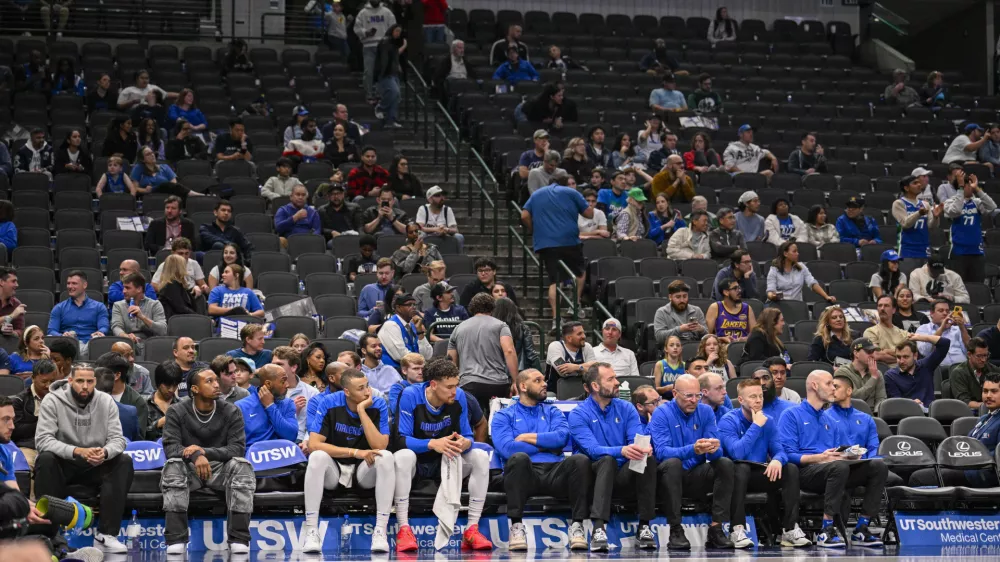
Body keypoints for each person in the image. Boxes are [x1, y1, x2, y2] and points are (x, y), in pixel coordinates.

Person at [392, 358, 494, 551]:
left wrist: (466, 443)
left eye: (456, 385)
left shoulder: (459, 397)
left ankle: (472, 528)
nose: (454, 391)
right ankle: (404, 528)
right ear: (433, 384)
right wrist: (432, 443)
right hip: (417, 463)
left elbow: (468, 434)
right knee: (403, 456)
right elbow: (400, 440)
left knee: (480, 455)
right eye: (449, 387)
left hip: (446, 461)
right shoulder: (410, 395)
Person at [778, 370, 887, 548]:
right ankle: (826, 530)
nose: (833, 389)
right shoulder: (791, 415)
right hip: (803, 472)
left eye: (835, 385)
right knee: (839, 467)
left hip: (831, 470)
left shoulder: (829, 420)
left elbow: (835, 453)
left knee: (877, 466)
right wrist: (819, 458)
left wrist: (848, 455)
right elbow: (786, 454)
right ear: (814, 386)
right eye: (829, 384)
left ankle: (861, 528)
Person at [34, 363, 134, 553]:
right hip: (64, 463)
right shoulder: (52, 400)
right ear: (70, 380)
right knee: (45, 459)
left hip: (95, 463)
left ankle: (106, 534)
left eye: (89, 381)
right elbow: (43, 440)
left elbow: (118, 440)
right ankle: (49, 535)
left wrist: (104, 453)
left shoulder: (106, 401)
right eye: (80, 381)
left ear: (95, 382)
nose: (85, 386)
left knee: (123, 461)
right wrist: (76, 451)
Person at [493, 368, 592, 551]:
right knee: (518, 458)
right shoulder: (504, 415)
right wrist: (546, 444)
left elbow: (562, 438)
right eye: (537, 380)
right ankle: (516, 526)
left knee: (580, 460)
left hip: (556, 472)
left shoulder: (553, 411)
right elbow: (507, 448)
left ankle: (577, 526)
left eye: (544, 380)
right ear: (523, 386)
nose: (545, 383)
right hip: (525, 474)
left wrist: (526, 437)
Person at [160, 368, 254, 555]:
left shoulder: (231, 410)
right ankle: (176, 539)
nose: (216, 384)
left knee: (243, 466)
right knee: (172, 467)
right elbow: (171, 448)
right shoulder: (176, 411)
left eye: (216, 381)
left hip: (220, 470)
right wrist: (195, 456)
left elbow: (237, 449)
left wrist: (204, 452)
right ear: (194, 389)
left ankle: (239, 538)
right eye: (209, 381)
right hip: (189, 469)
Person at [301, 368, 395, 553]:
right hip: (334, 468)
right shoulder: (328, 403)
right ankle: (311, 531)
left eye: (367, 386)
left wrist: (361, 410)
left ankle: (380, 531)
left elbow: (380, 445)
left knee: (386, 457)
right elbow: (314, 445)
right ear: (346, 391)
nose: (367, 391)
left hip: (363, 472)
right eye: (360, 388)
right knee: (317, 457)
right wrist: (355, 452)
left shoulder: (378, 404)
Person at [567, 363, 657, 551]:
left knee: (647, 459)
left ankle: (644, 526)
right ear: (595, 386)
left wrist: (643, 448)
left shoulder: (627, 408)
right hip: (592, 475)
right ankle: (598, 529)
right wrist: (622, 450)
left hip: (622, 472)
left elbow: (635, 438)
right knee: (606, 460)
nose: (618, 382)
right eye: (611, 379)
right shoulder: (578, 414)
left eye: (616, 377)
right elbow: (592, 450)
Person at [720, 378, 812, 548]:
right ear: (740, 400)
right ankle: (737, 530)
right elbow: (737, 453)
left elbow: (781, 450)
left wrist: (777, 460)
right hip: (734, 478)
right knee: (741, 467)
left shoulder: (768, 420)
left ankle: (790, 530)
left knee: (790, 469)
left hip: (760, 475)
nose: (758, 400)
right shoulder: (728, 420)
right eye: (752, 397)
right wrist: (755, 425)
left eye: (760, 396)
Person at [649, 373, 735, 549]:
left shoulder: (706, 411)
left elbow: (716, 452)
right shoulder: (661, 413)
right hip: (669, 476)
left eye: (698, 395)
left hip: (696, 473)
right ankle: (675, 529)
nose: (694, 400)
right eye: (689, 396)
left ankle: (717, 528)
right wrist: (692, 449)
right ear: (674, 394)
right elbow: (662, 452)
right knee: (673, 464)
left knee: (725, 463)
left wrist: (713, 450)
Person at [522, 173, 590, 333]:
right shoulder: (571, 192)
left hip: (546, 244)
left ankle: (555, 321)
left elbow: (524, 215)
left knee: (555, 281)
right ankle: (575, 303)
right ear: (565, 183)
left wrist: (535, 230)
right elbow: (589, 214)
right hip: (569, 241)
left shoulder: (537, 194)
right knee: (580, 273)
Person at [446, 293, 517, 411]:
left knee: (472, 423)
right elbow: (509, 351)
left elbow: (450, 359)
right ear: (492, 308)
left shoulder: (458, 328)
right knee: (497, 422)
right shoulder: (501, 326)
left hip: (468, 383)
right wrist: (515, 380)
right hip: (498, 384)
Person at [944, 171, 995, 283]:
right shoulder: (949, 202)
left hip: (977, 252)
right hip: (959, 252)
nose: (970, 188)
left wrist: (978, 189)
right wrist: (961, 190)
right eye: (968, 185)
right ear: (960, 187)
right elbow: (956, 211)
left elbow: (992, 207)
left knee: (977, 285)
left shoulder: (976, 202)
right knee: (959, 285)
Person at [46, 271, 108, 358]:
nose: (70, 287)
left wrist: (100, 332)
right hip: (67, 345)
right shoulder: (59, 308)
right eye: (68, 283)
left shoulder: (99, 307)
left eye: (74, 283)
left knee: (96, 340)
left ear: (84, 285)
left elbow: (104, 327)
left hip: (89, 344)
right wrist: (62, 335)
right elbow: (51, 330)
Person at [235, 364, 297, 446]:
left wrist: (270, 406)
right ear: (268, 384)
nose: (287, 385)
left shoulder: (288, 403)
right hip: (253, 456)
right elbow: (238, 445)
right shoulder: (241, 406)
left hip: (283, 455)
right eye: (283, 381)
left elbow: (291, 436)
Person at [11, 359, 58, 468]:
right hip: (29, 447)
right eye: (44, 381)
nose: (48, 386)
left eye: (52, 381)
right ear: (33, 378)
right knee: (26, 464)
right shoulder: (19, 401)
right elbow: (16, 430)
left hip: (56, 445)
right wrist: (46, 420)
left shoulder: (62, 398)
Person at [94, 352, 148, 439]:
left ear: (117, 375)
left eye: (101, 372)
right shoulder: (93, 394)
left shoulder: (137, 402)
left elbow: (138, 438)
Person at [894, 175, 943, 271]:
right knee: (909, 282)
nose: (919, 185)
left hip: (925, 249)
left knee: (925, 283)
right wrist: (919, 213)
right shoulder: (899, 203)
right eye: (915, 183)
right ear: (906, 188)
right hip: (907, 250)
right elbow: (905, 224)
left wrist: (936, 217)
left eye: (919, 183)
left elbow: (931, 226)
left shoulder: (925, 204)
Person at [111, 272, 168, 349]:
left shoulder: (155, 305)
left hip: (151, 345)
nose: (124, 291)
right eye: (123, 287)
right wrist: (126, 336)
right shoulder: (118, 306)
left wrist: (142, 317)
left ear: (139, 289)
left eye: (127, 288)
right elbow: (116, 327)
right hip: (127, 344)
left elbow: (163, 331)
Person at [767, 241, 837, 303]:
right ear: (785, 253)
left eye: (797, 251)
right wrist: (772, 296)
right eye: (794, 251)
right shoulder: (774, 270)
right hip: (779, 305)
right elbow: (770, 290)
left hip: (796, 305)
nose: (797, 253)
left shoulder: (801, 267)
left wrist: (826, 296)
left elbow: (812, 283)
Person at [378, 293, 433, 371]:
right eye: (409, 305)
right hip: (394, 371)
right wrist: (422, 361)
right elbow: (401, 356)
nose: (413, 308)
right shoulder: (391, 325)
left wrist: (420, 332)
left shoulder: (413, 325)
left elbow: (428, 355)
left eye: (414, 305)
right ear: (398, 307)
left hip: (414, 370)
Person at [913, 299, 971, 370]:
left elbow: (970, 348)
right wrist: (942, 328)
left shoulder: (957, 329)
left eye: (947, 311)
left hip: (962, 368)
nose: (945, 313)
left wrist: (962, 327)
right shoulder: (923, 329)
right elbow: (925, 351)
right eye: (941, 311)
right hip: (939, 370)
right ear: (931, 313)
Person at [833, 337, 887, 412]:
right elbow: (855, 398)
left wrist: (876, 415)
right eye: (868, 351)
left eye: (873, 351)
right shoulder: (842, 372)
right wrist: (873, 378)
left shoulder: (877, 373)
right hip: (849, 414)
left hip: (872, 415)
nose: (872, 355)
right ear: (856, 353)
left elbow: (881, 399)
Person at [151, 238, 209, 302]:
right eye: (180, 253)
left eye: (186, 253)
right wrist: (168, 292)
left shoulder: (194, 264)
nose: (184, 256)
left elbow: (202, 284)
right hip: (173, 297)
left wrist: (203, 288)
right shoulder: (165, 265)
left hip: (191, 296)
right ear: (173, 253)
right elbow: (154, 285)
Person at [131, 146, 201, 199]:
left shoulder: (164, 167)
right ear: (143, 159)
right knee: (165, 185)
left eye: (152, 152)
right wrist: (145, 190)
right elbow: (134, 188)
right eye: (148, 154)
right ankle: (196, 195)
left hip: (167, 196)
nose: (152, 155)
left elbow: (174, 185)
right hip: (150, 196)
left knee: (166, 185)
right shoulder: (138, 168)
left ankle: (194, 196)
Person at [949, 337, 1000, 410]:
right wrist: (989, 405)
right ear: (969, 354)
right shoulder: (958, 373)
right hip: (969, 413)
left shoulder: (993, 369)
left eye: (985, 355)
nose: (983, 360)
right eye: (979, 356)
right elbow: (965, 402)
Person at [654, 280, 708, 345]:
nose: (682, 300)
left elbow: (707, 337)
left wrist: (701, 329)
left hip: (694, 347)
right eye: (678, 297)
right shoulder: (662, 312)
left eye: (685, 296)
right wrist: (680, 329)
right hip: (673, 349)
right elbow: (659, 337)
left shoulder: (697, 310)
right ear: (670, 297)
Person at [373, 25, 406, 129]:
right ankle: (381, 107)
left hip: (393, 72)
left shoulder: (393, 43)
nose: (398, 33)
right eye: (396, 31)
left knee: (397, 97)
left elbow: (394, 56)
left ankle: (391, 120)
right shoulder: (385, 42)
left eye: (399, 32)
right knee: (394, 92)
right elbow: (384, 59)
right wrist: (381, 73)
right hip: (386, 73)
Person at [863, 295, 912, 365]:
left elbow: (911, 355)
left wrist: (885, 351)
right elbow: (877, 355)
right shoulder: (870, 332)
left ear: (894, 310)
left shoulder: (903, 333)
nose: (882, 308)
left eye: (886, 306)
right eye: (880, 306)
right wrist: (903, 357)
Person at [545, 321, 597, 386]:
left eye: (583, 333)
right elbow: (563, 372)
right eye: (579, 334)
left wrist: (577, 367)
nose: (584, 336)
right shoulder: (555, 346)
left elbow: (595, 370)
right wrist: (585, 369)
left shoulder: (587, 347)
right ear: (569, 338)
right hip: (554, 391)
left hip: (580, 391)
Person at [706, 278, 756, 344]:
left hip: (742, 346)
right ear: (726, 292)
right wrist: (721, 339)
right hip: (721, 346)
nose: (739, 291)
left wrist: (746, 339)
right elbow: (706, 336)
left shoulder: (747, 308)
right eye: (735, 288)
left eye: (739, 288)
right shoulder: (715, 307)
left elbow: (755, 334)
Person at [156, 254, 198, 319]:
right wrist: (199, 317)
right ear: (178, 268)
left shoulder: (177, 284)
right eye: (184, 265)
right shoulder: (171, 285)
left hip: (181, 319)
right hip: (177, 322)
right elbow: (180, 308)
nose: (185, 268)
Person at [0, 268, 24, 341]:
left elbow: (20, 331)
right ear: (1, 282)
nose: (17, 285)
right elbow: (12, 315)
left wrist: (12, 332)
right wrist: (11, 316)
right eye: (13, 281)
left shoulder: (16, 304)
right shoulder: (16, 310)